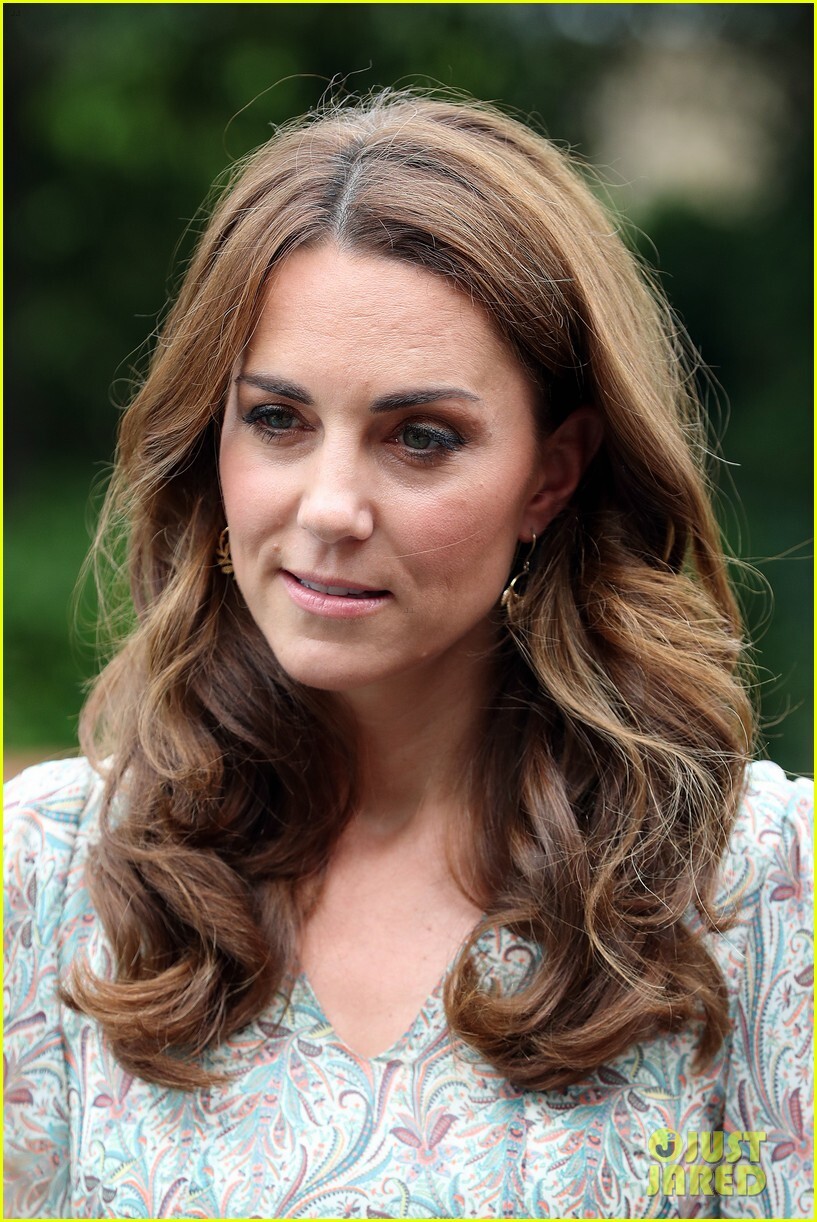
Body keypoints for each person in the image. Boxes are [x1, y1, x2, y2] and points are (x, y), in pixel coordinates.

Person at [4, 90, 812, 1220]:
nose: (330, 507)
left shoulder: (752, 886)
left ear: (550, 475)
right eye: (277, 419)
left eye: (420, 437)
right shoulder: (53, 873)